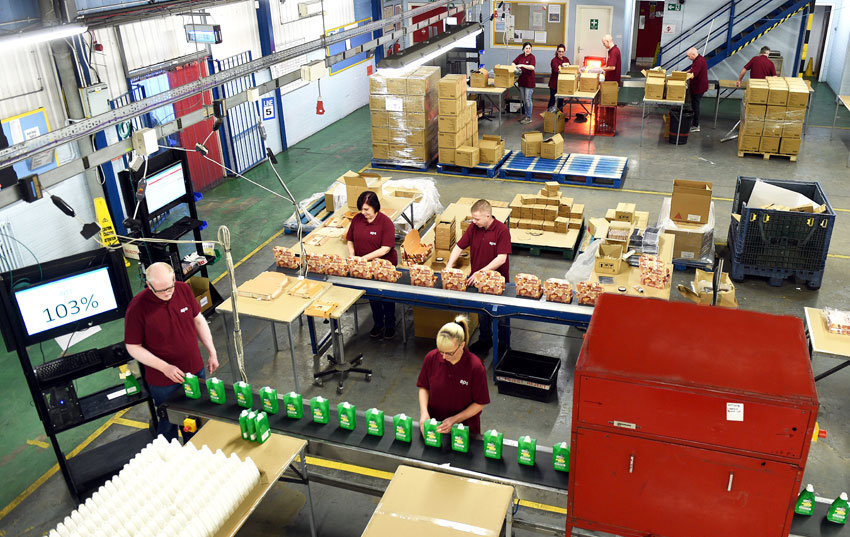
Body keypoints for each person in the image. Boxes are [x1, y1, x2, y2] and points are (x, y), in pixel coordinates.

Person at [125, 262, 218, 442]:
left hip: (195, 370)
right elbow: (133, 346)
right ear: (148, 284)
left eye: (169, 287)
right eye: (159, 290)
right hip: (163, 381)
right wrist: (164, 367)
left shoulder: (183, 290)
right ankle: (170, 459)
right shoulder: (137, 307)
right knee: (169, 424)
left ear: (174, 279)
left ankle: (196, 452)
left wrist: (211, 351)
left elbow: (198, 320)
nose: (166, 293)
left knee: (195, 418)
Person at [446, 199, 511, 355]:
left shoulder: (501, 230)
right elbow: (459, 246)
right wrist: (449, 266)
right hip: (478, 281)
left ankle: (503, 345)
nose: (474, 222)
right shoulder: (474, 228)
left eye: (477, 219)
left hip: (497, 283)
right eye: (473, 218)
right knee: (482, 313)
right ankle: (485, 341)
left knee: (501, 316)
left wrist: (481, 272)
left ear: (488, 216)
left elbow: (501, 258)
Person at [417, 316, 490, 437]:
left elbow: (480, 402)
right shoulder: (431, 357)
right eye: (441, 351)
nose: (444, 357)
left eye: (449, 353)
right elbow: (424, 387)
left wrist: (454, 420)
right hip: (434, 427)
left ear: (462, 345)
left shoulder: (475, 367)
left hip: (464, 431)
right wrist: (424, 413)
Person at [346, 190, 398, 339]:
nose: (363, 212)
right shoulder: (357, 219)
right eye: (361, 209)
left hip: (384, 266)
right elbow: (350, 239)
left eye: (366, 209)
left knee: (386, 296)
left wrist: (363, 258)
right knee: (373, 296)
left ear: (375, 207)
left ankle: (390, 325)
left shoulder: (385, 223)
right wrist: (352, 255)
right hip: (364, 266)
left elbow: (386, 248)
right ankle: (378, 323)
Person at [512, 42, 537, 124]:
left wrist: (522, 65)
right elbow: (513, 62)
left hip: (529, 82)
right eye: (526, 48)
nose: (528, 50)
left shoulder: (532, 57)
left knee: (528, 99)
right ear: (523, 49)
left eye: (529, 48)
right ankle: (526, 116)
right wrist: (514, 66)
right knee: (524, 99)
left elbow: (532, 67)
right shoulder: (520, 56)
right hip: (521, 81)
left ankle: (529, 117)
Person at [685, 47, 708, 132]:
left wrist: (682, 77)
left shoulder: (699, 61)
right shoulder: (697, 59)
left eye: (689, 56)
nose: (688, 58)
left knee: (695, 106)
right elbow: (691, 70)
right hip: (697, 86)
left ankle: (696, 125)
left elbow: (693, 74)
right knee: (694, 104)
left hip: (699, 87)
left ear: (693, 54)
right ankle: (694, 121)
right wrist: (684, 73)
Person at [547, 44, 571, 113]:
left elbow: (569, 69)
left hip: (562, 84)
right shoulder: (554, 60)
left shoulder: (566, 59)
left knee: (561, 100)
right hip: (554, 84)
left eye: (562, 51)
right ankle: (549, 115)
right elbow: (556, 71)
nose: (561, 53)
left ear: (564, 52)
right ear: (557, 51)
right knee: (553, 99)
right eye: (559, 51)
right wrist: (564, 70)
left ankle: (560, 116)